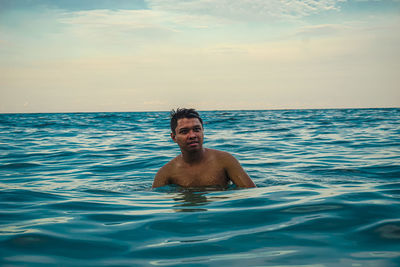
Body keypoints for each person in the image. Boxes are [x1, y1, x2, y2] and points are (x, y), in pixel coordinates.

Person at [152, 108, 256, 188]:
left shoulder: (224, 160)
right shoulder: (166, 173)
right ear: (174, 137)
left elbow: (250, 192)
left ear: (203, 131)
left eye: (197, 129)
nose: (192, 135)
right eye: (184, 131)